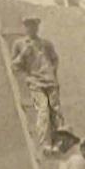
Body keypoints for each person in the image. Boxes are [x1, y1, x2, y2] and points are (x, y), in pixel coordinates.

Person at [10, 17, 63, 153]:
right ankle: (45, 144)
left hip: (50, 82)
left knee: (56, 112)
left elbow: (55, 59)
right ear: (25, 27)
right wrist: (23, 55)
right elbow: (14, 66)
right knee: (43, 111)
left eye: (34, 25)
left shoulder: (46, 44)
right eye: (29, 26)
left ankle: (59, 143)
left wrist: (52, 72)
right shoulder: (19, 44)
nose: (32, 28)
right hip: (35, 82)